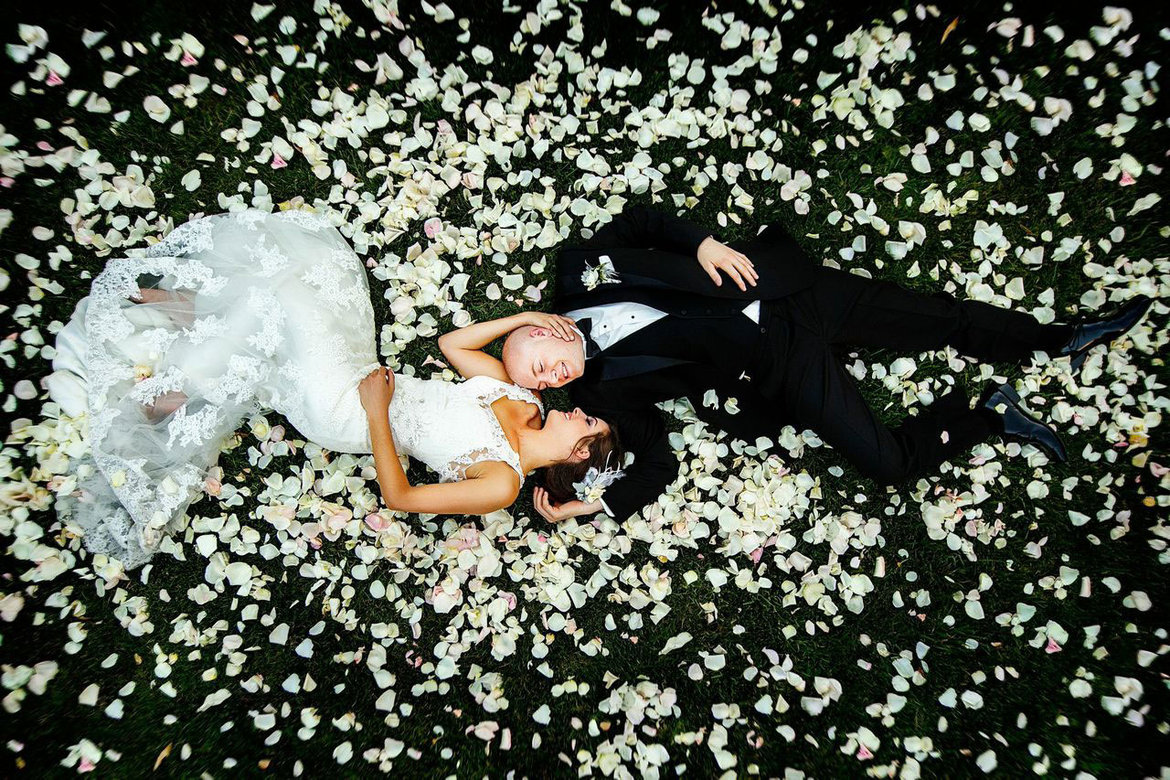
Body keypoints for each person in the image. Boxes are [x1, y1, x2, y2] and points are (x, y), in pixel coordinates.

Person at [492, 204, 1153, 523]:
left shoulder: (581, 277)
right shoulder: (605, 395)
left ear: (540, 324)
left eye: (539, 361)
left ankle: (1054, 339)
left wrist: (702, 245)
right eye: (541, 384)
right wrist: (594, 507)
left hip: (787, 291)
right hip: (780, 365)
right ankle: (988, 415)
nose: (552, 379)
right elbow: (656, 462)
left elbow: (640, 223)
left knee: (937, 317)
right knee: (889, 463)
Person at [45, 209, 621, 568]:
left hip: (350, 410)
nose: (578, 412)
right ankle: (184, 337)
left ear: (576, 454)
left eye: (587, 424)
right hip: (369, 374)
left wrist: (377, 410)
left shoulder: (500, 483)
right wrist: (520, 317)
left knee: (287, 311)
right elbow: (454, 347)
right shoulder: (527, 401)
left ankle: (170, 362)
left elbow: (401, 498)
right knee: (299, 288)